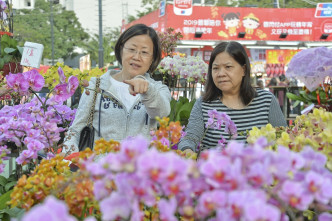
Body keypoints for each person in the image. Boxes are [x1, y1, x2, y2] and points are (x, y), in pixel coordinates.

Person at [62, 24, 171, 154]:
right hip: (101, 171)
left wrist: (148, 91)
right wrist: (69, 158)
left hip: (140, 171)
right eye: (132, 49)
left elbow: (162, 113)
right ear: (121, 50)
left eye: (144, 52)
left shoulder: (158, 89)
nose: (137, 57)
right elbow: (75, 130)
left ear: (152, 58)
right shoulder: (96, 87)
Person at [178, 41, 287, 154]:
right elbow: (190, 138)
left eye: (228, 67)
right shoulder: (204, 104)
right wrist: (187, 150)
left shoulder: (266, 101)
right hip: (217, 170)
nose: (221, 73)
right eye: (216, 68)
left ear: (244, 70)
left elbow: (283, 140)